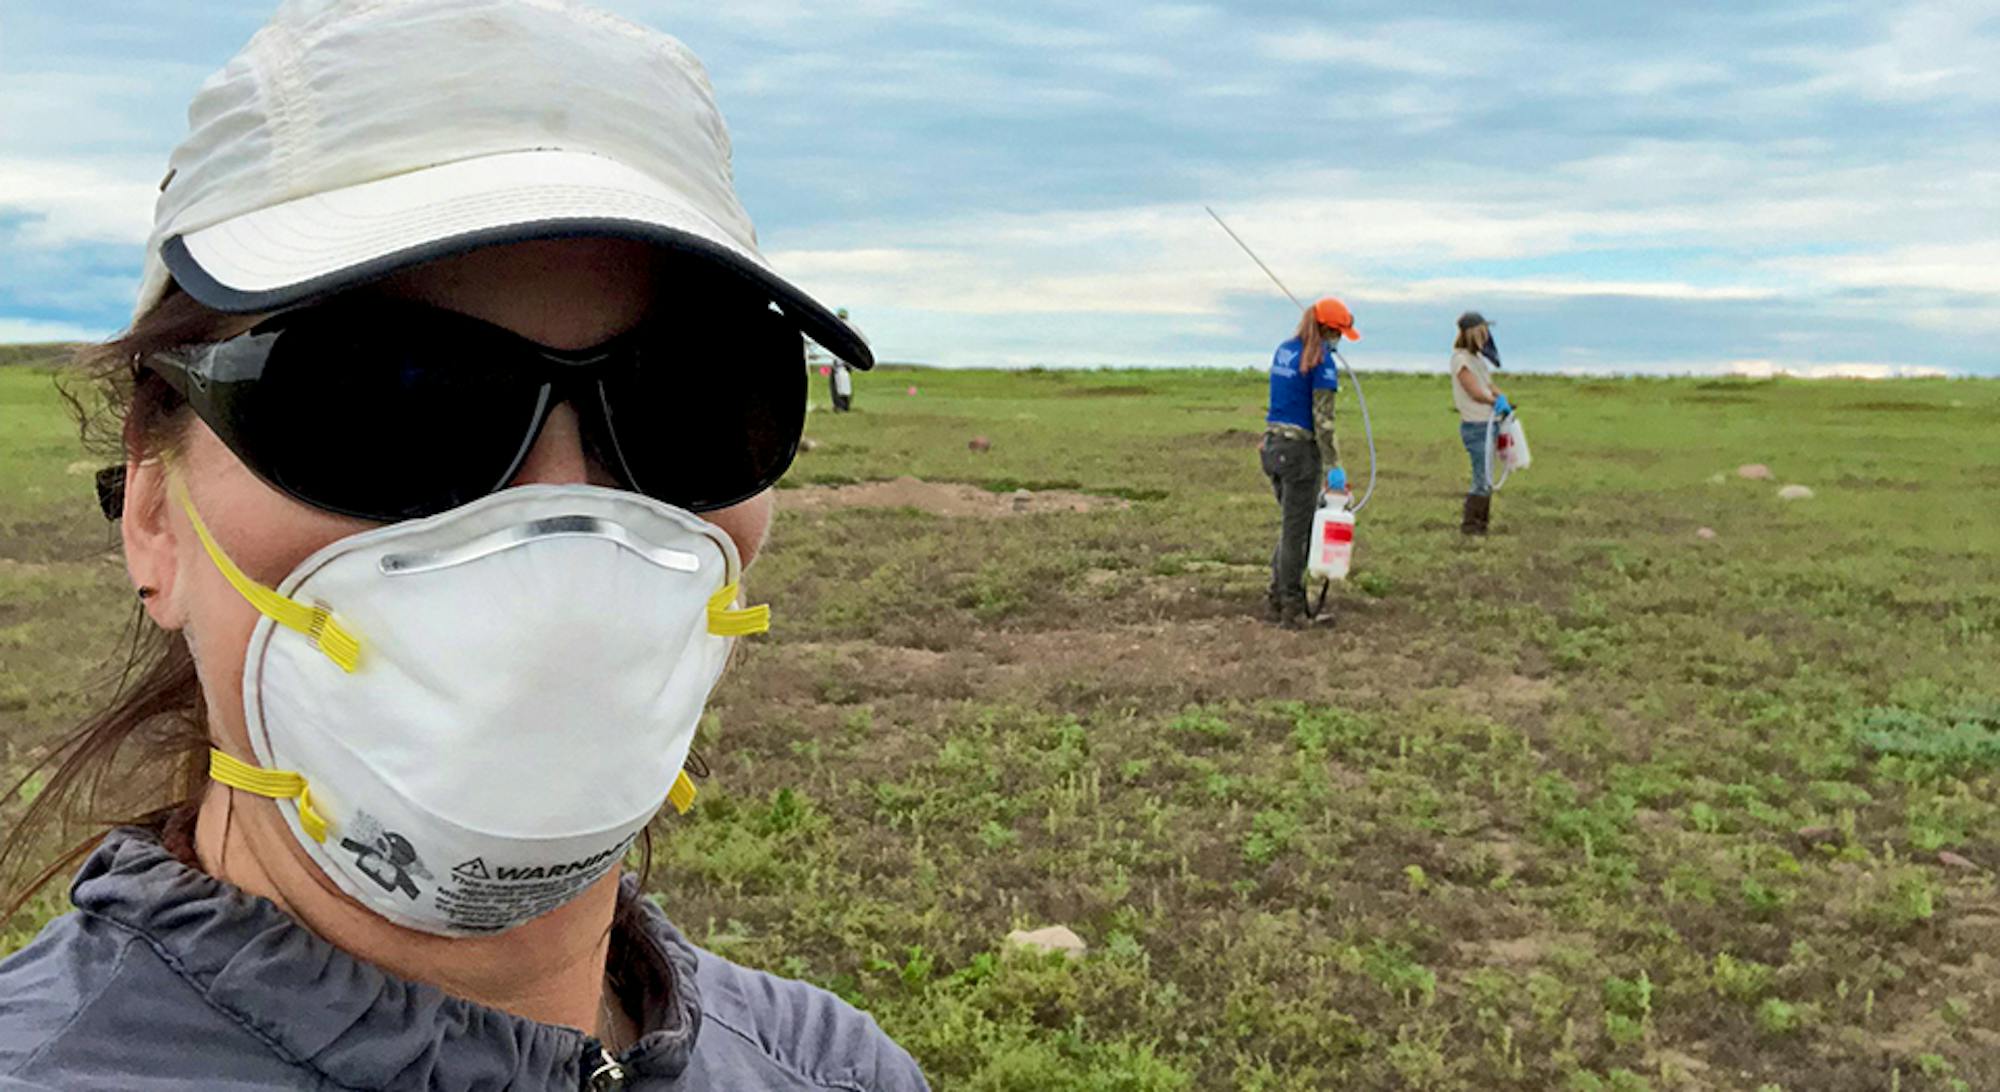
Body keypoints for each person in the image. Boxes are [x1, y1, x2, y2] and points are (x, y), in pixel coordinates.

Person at [0, 3, 927, 1090]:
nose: (565, 510)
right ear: (153, 514)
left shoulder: (838, 1070)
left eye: (688, 396)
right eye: (383, 399)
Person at [1260, 297, 1356, 628]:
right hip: (1300, 454)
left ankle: (1276, 597)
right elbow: (1323, 422)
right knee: (1298, 532)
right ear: (1329, 329)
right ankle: (1291, 607)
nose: (1339, 340)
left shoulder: (1284, 350)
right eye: (1339, 333)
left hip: (1272, 447)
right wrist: (1335, 468)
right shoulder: (1322, 362)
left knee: (1293, 526)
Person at [1449, 310, 1511, 536]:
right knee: (1481, 478)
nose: (1485, 336)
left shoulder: (1477, 360)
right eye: (1481, 332)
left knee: (1486, 475)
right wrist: (1494, 401)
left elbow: (1488, 385)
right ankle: (1472, 526)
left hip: (1488, 423)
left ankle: (1480, 525)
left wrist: (1501, 397)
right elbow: (1475, 391)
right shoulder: (1461, 360)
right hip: (1476, 425)